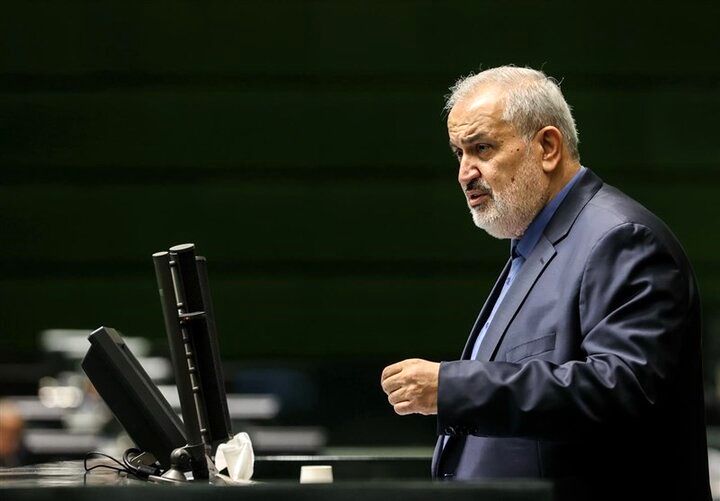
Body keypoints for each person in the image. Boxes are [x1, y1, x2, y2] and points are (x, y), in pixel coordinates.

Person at [380, 66, 710, 500]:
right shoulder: (534, 244)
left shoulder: (622, 239)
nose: (464, 172)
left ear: (548, 147)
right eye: (458, 153)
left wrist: (454, 388)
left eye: (481, 148)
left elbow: (619, 390)